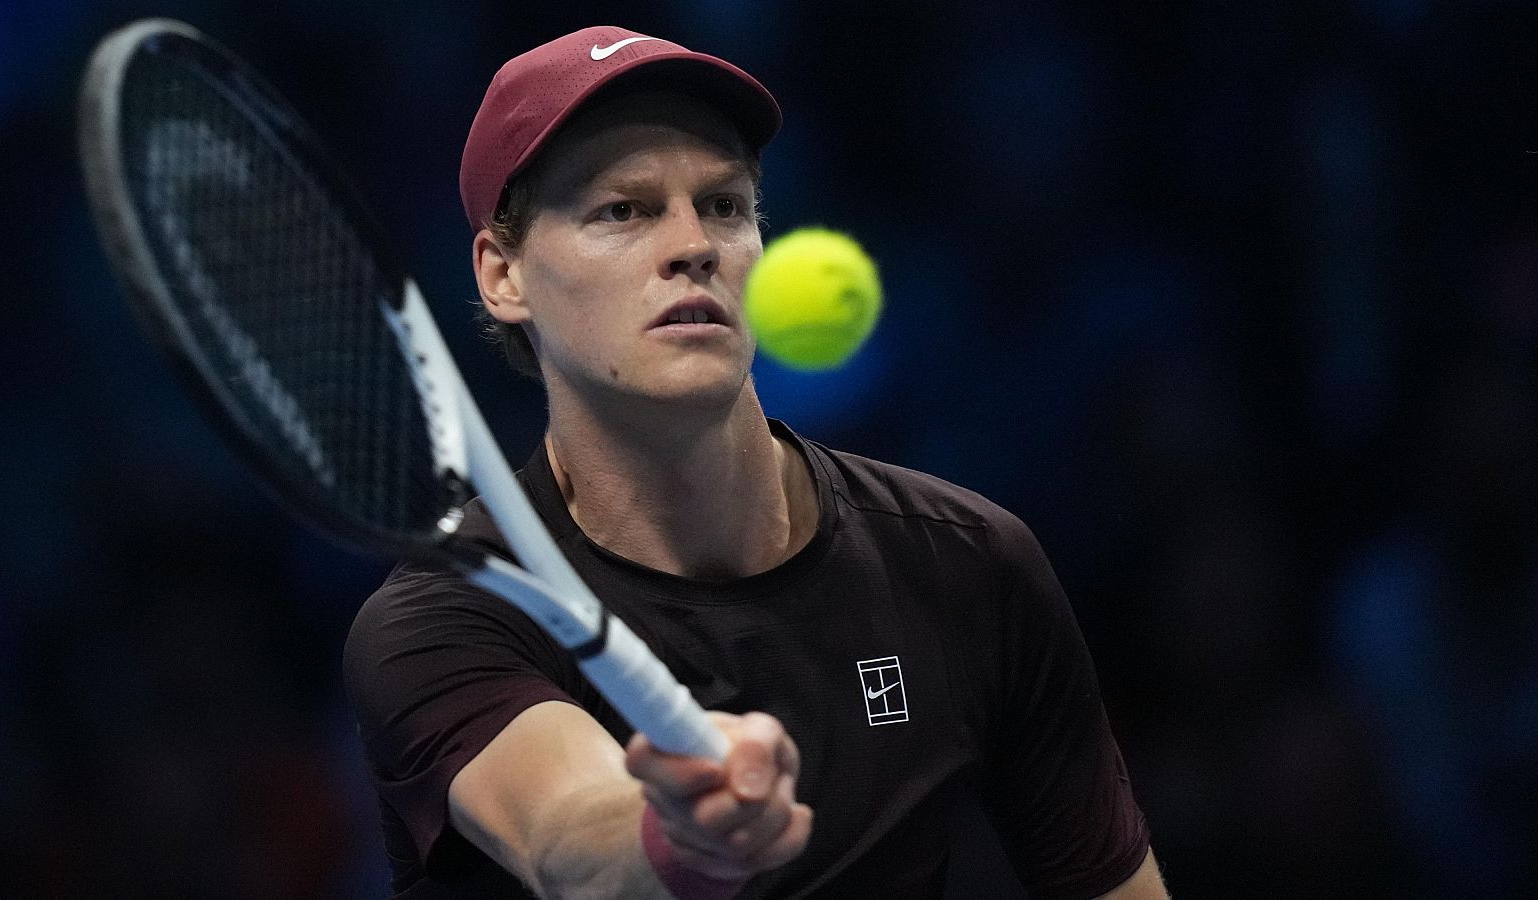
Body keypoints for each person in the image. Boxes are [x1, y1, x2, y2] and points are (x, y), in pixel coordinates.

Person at [345, 25, 1168, 900]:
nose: (693, 242)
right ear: (503, 275)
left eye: (726, 206)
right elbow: (571, 841)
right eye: (622, 209)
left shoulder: (969, 563)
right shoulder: (444, 619)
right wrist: (677, 837)